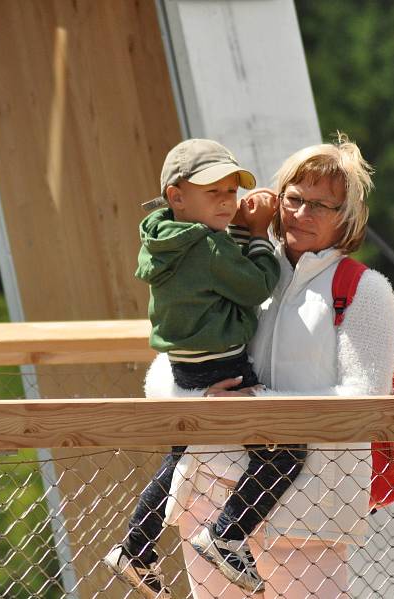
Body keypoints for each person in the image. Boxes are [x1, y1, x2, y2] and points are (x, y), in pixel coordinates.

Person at [146, 134, 394, 598]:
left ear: (347, 217)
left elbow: (366, 398)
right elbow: (164, 369)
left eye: (321, 206)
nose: (302, 214)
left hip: (311, 505)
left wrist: (261, 405)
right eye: (295, 199)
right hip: (211, 490)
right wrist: (198, 399)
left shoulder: (366, 290)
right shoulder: (232, 261)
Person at [104, 138, 306, 597]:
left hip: (188, 367)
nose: (228, 201)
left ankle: (136, 547)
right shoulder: (205, 247)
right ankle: (227, 533)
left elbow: (220, 274)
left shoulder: (167, 239)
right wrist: (255, 234)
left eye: (231, 192)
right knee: (285, 451)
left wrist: (230, 228)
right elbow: (255, 284)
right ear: (177, 196)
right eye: (213, 192)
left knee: (182, 455)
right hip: (223, 366)